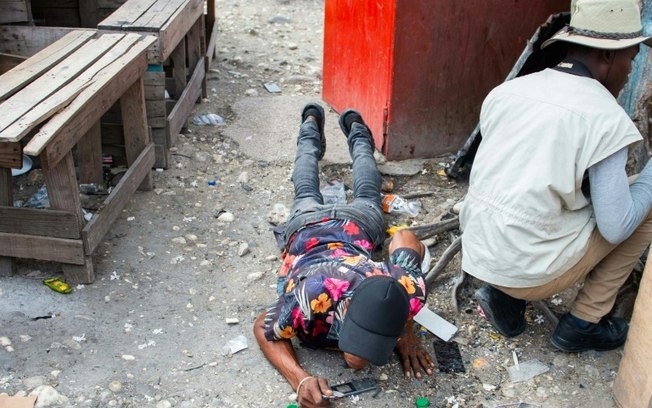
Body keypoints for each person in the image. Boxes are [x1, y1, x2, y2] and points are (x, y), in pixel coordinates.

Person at [460, 0, 652, 353]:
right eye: (632, 57)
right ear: (608, 57)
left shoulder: (509, 91)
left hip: (480, 252)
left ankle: (507, 298)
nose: (630, 71)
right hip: (528, 270)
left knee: (545, 199)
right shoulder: (605, 117)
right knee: (645, 201)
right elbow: (616, 226)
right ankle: (583, 323)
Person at [253, 103, 434, 407]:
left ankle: (352, 129)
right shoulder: (312, 295)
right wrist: (300, 379)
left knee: (363, 185)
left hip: (354, 225)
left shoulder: (407, 293)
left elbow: (405, 238)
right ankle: (313, 123)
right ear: (344, 306)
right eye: (359, 339)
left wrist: (407, 330)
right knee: (310, 182)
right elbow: (262, 326)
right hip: (309, 228)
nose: (358, 360)